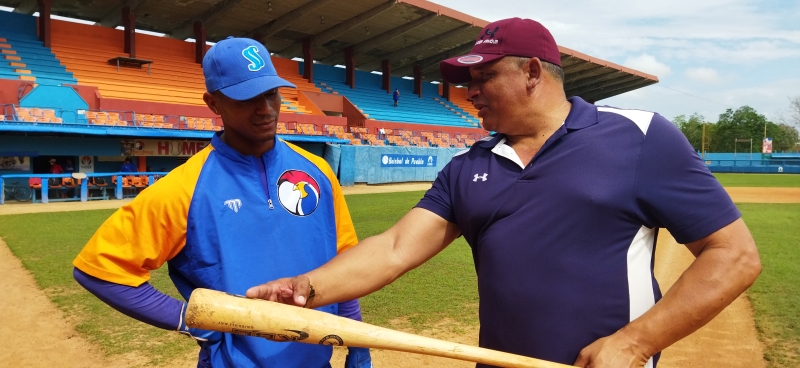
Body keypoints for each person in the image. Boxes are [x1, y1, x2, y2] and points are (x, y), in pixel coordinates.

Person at [246, 18, 762, 368]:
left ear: (533, 73)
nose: (469, 92)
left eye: (484, 76)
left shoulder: (641, 137)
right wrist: (304, 289)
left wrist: (635, 343)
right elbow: (396, 247)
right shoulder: (468, 166)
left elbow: (734, 256)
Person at [72, 37, 372, 368]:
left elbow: (343, 262)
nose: (265, 109)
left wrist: (356, 339)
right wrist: (191, 320)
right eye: (247, 98)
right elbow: (99, 270)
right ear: (213, 103)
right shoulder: (184, 188)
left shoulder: (319, 172)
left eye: (271, 94)